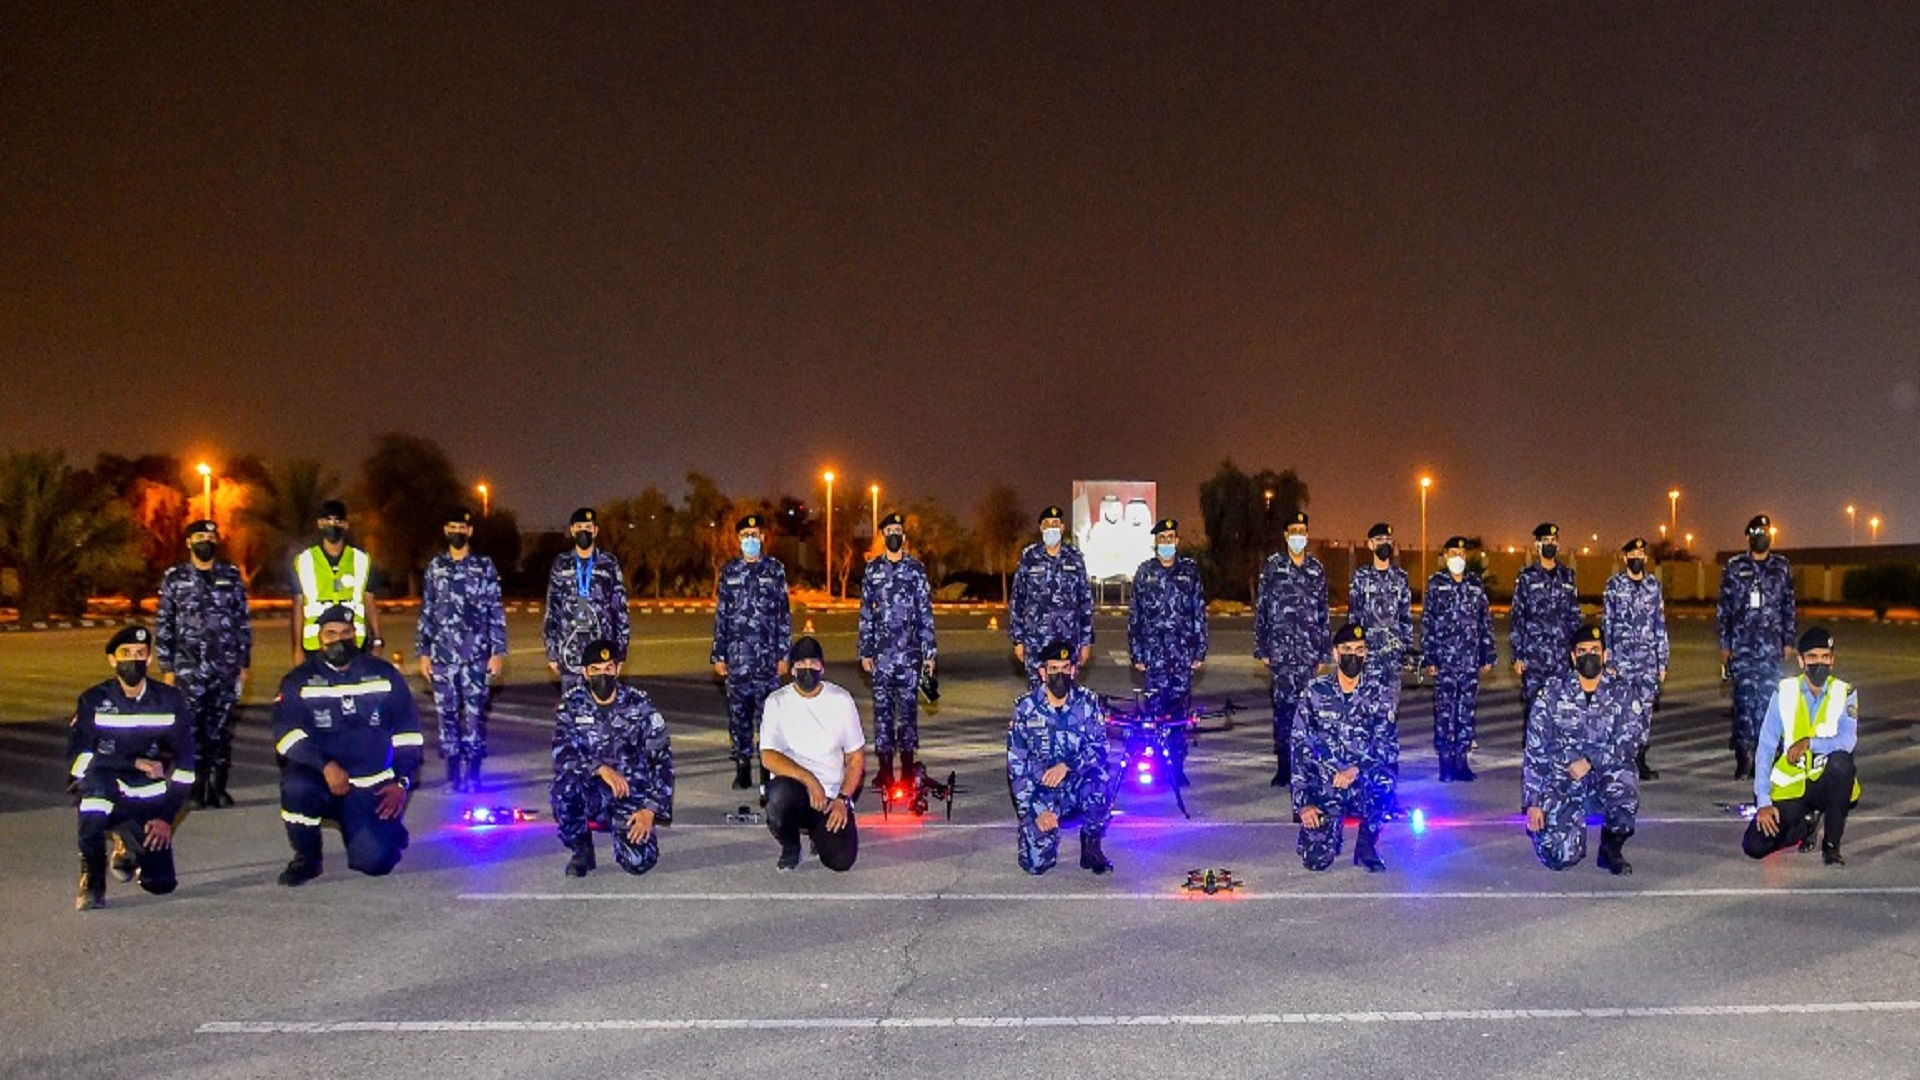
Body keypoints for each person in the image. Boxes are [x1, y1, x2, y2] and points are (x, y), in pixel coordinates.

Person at [272, 605, 423, 885]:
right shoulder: (298, 681)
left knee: (375, 863)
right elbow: (285, 734)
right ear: (319, 638)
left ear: (355, 635)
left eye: (345, 633)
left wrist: (401, 783)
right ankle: (307, 858)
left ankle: (386, 830)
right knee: (296, 787)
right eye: (330, 633)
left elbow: (408, 733)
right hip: (322, 781)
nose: (338, 640)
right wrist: (325, 766)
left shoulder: (384, 675)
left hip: (370, 786)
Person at [68, 626, 193, 910]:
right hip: (105, 784)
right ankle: (92, 883)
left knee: (160, 884)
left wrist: (165, 817)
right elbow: (78, 758)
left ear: (149, 659)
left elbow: (186, 766)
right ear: (112, 660)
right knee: (93, 804)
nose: (133, 660)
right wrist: (130, 762)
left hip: (147, 796)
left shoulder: (169, 701)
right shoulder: (93, 701)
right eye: (125, 654)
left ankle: (128, 842)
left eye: (140, 654)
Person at [1522, 625, 1645, 875]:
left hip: (1602, 775)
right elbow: (1535, 749)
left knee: (1625, 787)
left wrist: (1590, 760)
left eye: (1595, 651)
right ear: (1573, 657)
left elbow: (1631, 740)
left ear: (1605, 655)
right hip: (1563, 779)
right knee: (1561, 857)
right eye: (1582, 651)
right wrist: (1533, 802)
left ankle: (1610, 849)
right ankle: (1554, 829)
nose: (1589, 656)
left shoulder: (1622, 692)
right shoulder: (1552, 693)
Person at [550, 639, 674, 877]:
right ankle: (581, 848)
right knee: (564, 790)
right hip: (593, 786)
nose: (602, 675)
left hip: (631, 790)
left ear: (618, 669)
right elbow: (562, 752)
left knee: (639, 862)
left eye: (608, 669)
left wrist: (650, 810)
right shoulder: (572, 705)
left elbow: (663, 760)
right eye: (595, 670)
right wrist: (600, 769)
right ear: (585, 673)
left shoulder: (640, 705)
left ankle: (621, 832)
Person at [153, 518, 251, 809]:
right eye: (199, 536)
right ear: (188, 542)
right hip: (188, 669)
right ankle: (193, 789)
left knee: (220, 729)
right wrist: (167, 668)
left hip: (225, 667)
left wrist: (244, 665)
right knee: (189, 729)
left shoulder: (230, 576)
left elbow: (242, 621)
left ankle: (217, 786)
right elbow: (164, 623)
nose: (205, 541)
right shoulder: (175, 578)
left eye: (210, 536)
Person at [1742, 627, 1859, 867]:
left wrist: (1810, 743)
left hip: (1826, 781)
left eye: (1825, 657)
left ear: (1832, 660)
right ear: (1801, 660)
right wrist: (1763, 802)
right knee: (1754, 846)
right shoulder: (1784, 692)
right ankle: (1806, 825)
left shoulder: (1845, 692)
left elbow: (1848, 741)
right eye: (1813, 657)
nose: (1820, 663)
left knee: (1842, 763)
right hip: (1792, 787)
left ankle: (1831, 846)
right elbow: (1765, 746)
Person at [1290, 622, 1396, 872]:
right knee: (1316, 861)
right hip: (1326, 783)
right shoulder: (1315, 692)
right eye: (1347, 649)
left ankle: (1366, 844)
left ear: (1366, 654)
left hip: (1359, 779)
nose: (1353, 655)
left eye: (1360, 650)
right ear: (1336, 653)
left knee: (1385, 781)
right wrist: (1303, 801)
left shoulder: (1378, 693)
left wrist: (1355, 770)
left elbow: (1385, 746)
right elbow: (1299, 744)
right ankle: (1327, 831)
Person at [417, 508, 508, 793]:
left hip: (476, 655)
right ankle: (453, 773)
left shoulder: (484, 566)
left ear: (470, 531)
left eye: (462, 527)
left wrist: (498, 651)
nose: (458, 532)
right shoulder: (436, 567)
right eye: (452, 526)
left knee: (474, 715)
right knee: (446, 715)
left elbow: (495, 609)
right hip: (443, 656)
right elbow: (427, 610)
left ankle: (474, 772)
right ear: (446, 530)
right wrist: (424, 651)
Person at [1007, 641, 1115, 875]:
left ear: (1074, 670)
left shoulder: (1087, 703)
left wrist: (1068, 765)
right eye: (1054, 669)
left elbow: (1101, 750)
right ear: (1042, 672)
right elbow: (1017, 768)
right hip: (1041, 791)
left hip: (1075, 785)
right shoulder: (1026, 709)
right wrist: (1034, 809)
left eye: (1066, 668)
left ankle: (1091, 844)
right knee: (1036, 865)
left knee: (1100, 782)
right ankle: (1044, 837)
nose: (1060, 674)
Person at [759, 637, 863, 872]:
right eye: (801, 664)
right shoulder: (776, 702)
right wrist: (808, 779)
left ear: (822, 667)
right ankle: (791, 846)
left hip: (830, 798)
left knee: (841, 860)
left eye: (813, 663)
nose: (807, 669)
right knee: (778, 796)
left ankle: (819, 835)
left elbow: (856, 758)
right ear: (792, 669)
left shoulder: (841, 701)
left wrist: (843, 799)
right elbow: (768, 756)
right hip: (796, 791)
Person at [857, 511, 937, 791]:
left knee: (907, 715)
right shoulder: (872, 570)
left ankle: (906, 768)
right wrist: (865, 651)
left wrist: (929, 654)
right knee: (882, 714)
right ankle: (885, 771)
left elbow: (926, 613)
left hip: (909, 656)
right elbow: (866, 614)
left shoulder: (915, 570)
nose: (893, 535)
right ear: (882, 536)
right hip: (881, 657)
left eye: (897, 530)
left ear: (904, 536)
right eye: (888, 530)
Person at [712, 513, 792, 790]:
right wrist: (719, 655)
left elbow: (783, 615)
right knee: (738, 717)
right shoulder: (730, 572)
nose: (750, 540)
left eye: (754, 535)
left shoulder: (775, 570)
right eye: (745, 536)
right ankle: (742, 767)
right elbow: (721, 616)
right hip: (737, 661)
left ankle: (766, 770)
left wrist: (784, 655)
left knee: (768, 719)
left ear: (763, 537)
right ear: (738, 540)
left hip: (768, 661)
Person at [1127, 517, 1207, 783]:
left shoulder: (1189, 571)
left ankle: (1177, 767)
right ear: (1155, 543)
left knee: (1179, 714)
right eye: (1162, 539)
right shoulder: (1144, 572)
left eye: (1171, 538)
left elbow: (1199, 611)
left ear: (1177, 540)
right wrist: (1136, 653)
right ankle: (1157, 765)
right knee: (1154, 712)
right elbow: (1135, 615)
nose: (1166, 543)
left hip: (1182, 655)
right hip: (1154, 657)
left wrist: (1200, 650)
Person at [1254, 510, 1330, 787]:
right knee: (1284, 710)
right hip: (1281, 653)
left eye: (1302, 531)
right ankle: (1284, 765)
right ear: (1285, 535)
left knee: (1309, 709)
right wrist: (1262, 647)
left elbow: (1323, 613)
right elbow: (1262, 609)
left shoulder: (1316, 569)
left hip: (1309, 653)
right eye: (1293, 531)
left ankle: (1307, 764)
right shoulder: (1273, 568)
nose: (1298, 536)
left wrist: (1324, 650)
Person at [1717, 514, 1796, 779]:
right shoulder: (1734, 566)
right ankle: (1744, 756)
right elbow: (1724, 609)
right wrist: (1724, 645)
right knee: (1743, 702)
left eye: (1765, 530)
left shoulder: (1782, 567)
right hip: (1742, 647)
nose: (1761, 534)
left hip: (1771, 649)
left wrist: (1789, 640)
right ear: (1748, 536)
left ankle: (1769, 756)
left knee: (1770, 703)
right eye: (1755, 531)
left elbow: (1789, 606)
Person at [1420, 537, 1497, 782]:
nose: (1459, 558)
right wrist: (1430, 656)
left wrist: (1488, 654)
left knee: (1466, 712)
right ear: (1445, 555)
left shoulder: (1475, 585)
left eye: (1462, 553)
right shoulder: (1436, 584)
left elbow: (1485, 621)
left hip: (1469, 660)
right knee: (1444, 712)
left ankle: (1461, 761)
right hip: (1444, 660)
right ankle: (1445, 762)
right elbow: (1428, 622)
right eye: (1454, 552)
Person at [543, 507, 629, 696]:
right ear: (572, 530)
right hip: (570, 650)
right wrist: (551, 651)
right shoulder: (561, 563)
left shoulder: (609, 563)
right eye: (579, 527)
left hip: (602, 653)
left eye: (588, 527)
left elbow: (620, 609)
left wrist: (621, 652)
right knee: (572, 709)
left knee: (601, 707)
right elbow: (552, 608)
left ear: (595, 530)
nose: (584, 531)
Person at [1602, 537, 1669, 780]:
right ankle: (1621, 762)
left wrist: (1662, 661)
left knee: (1644, 713)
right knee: (1621, 712)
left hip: (1647, 662)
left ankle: (1640, 759)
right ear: (1625, 558)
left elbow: (1659, 624)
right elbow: (1607, 623)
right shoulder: (1614, 586)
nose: (1638, 558)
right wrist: (1607, 660)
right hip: (1621, 662)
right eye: (1634, 554)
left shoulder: (1653, 586)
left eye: (1642, 554)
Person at [1008, 505, 1094, 683]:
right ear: (1041, 528)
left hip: (1068, 639)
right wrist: (1018, 640)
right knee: (1038, 692)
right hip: (1036, 640)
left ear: (1062, 528)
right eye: (1047, 524)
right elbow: (1017, 600)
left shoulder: (1075, 558)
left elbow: (1085, 602)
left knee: (1066, 692)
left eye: (1055, 524)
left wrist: (1086, 642)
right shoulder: (1029, 557)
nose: (1051, 529)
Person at [290, 499, 383, 664]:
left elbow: (369, 601)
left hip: (353, 641)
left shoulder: (361, 560)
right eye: (328, 520)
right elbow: (298, 605)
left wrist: (377, 640)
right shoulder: (304, 560)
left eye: (338, 520)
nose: (333, 524)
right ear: (320, 523)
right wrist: (297, 649)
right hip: (315, 644)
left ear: (346, 525)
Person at [1510, 522, 1582, 712]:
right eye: (1545, 541)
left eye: (1553, 540)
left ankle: (1557, 743)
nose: (1550, 544)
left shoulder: (1568, 576)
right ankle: (1533, 743)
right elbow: (1518, 616)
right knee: (1534, 706)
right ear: (1537, 545)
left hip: (1562, 655)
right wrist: (1518, 655)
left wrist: (1578, 652)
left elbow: (1574, 617)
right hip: (1534, 655)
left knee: (1560, 707)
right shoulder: (1526, 577)